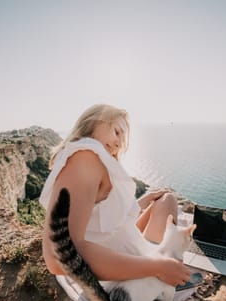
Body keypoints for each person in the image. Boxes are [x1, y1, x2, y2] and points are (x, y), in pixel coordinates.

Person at [40, 104, 191, 287]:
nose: (119, 143)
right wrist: (159, 267)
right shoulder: (85, 158)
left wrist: (142, 201)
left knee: (164, 199)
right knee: (168, 201)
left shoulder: (85, 159)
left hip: (122, 251)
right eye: (117, 132)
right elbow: (58, 257)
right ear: (95, 122)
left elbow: (102, 219)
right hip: (128, 277)